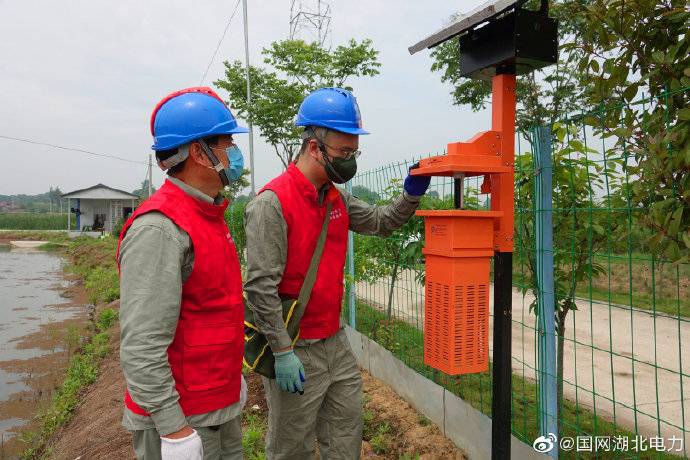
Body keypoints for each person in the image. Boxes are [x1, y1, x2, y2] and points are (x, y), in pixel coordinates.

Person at [243, 87, 431, 459]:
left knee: (345, 439)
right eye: (345, 153)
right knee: (291, 448)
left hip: (336, 341)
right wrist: (282, 351)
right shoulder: (272, 204)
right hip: (296, 347)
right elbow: (260, 289)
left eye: (354, 153)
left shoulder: (335, 197)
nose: (350, 161)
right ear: (315, 148)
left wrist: (410, 195)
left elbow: (381, 222)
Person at [118, 87, 248, 460]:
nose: (234, 152)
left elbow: (211, 311)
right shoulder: (160, 228)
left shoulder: (207, 213)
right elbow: (142, 345)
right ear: (199, 153)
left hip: (216, 405)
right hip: (184, 421)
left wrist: (229, 378)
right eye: (227, 143)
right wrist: (174, 431)